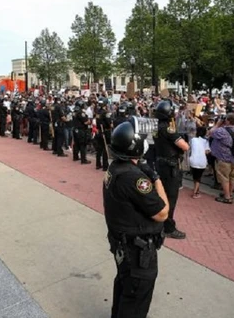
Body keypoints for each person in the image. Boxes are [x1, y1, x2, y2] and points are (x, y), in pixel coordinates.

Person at [103, 119, 169, 318]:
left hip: (123, 244)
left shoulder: (115, 167)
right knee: (136, 298)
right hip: (137, 251)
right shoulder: (135, 178)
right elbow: (162, 212)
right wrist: (156, 179)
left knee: (125, 287)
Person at [153, 99, 189, 239]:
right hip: (170, 166)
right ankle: (168, 227)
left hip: (160, 163)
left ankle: (160, 223)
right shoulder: (168, 128)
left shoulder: (157, 127)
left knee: (162, 195)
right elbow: (185, 146)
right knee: (171, 197)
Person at [188, 126, 210, 199]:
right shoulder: (205, 141)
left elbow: (189, 147)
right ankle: (195, 192)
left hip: (193, 160)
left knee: (195, 176)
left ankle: (196, 189)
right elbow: (207, 151)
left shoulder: (193, 139)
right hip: (202, 161)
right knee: (198, 177)